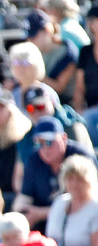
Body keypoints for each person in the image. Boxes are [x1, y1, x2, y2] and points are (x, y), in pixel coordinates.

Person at [15, 116, 96, 230]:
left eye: (49, 142)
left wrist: (41, 213)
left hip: (81, 222)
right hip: (46, 224)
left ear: (63, 138)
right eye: (39, 143)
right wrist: (21, 215)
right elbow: (24, 197)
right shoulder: (34, 159)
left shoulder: (81, 157)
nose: (45, 148)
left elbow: (87, 202)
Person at [45, 154, 98, 246]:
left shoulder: (95, 208)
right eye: (70, 178)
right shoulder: (59, 202)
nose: (74, 184)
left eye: (80, 179)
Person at [24, 8, 78, 105]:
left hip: (65, 103)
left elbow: (59, 87)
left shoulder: (68, 51)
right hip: (37, 101)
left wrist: (32, 74)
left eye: (33, 36)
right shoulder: (32, 52)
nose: (29, 40)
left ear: (47, 30)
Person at [10, 41, 61, 115]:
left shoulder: (47, 93)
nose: (21, 67)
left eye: (26, 62)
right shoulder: (14, 94)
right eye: (17, 62)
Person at [74, 5, 98, 147]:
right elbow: (79, 87)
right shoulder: (85, 52)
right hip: (91, 108)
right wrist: (78, 111)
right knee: (86, 119)